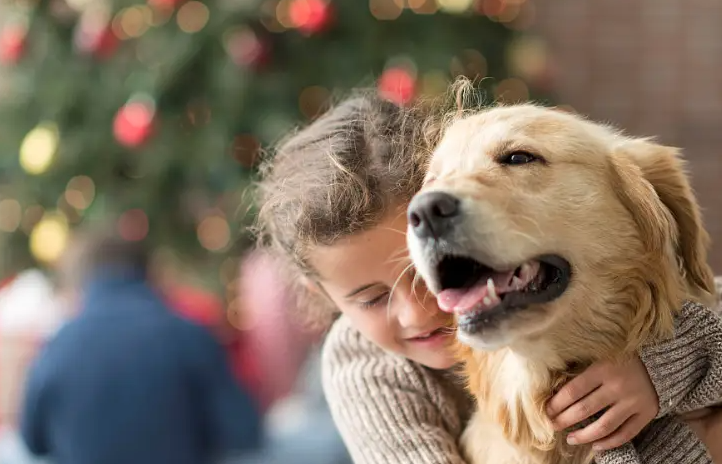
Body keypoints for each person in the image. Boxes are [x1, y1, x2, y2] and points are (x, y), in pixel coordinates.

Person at [255, 90, 722, 463]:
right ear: (330, 302)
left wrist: (660, 364)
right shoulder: (369, 370)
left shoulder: (693, 313)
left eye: (518, 158)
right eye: (373, 299)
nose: (424, 309)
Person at [18, 226, 263, 464]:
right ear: (150, 272)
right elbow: (243, 432)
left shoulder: (55, 348)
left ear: (79, 280)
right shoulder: (188, 336)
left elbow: (33, 442)